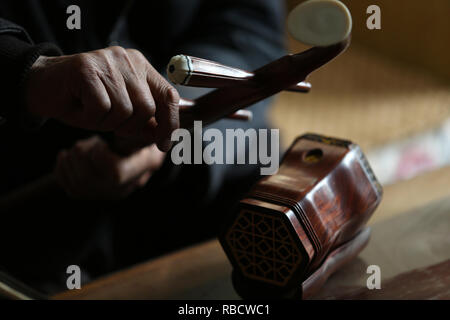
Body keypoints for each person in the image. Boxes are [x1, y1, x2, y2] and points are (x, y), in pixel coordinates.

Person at [0, 0, 285, 294]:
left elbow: (250, 31)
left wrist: (171, 127)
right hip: (21, 183)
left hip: (183, 183)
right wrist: (23, 71)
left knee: (280, 208)